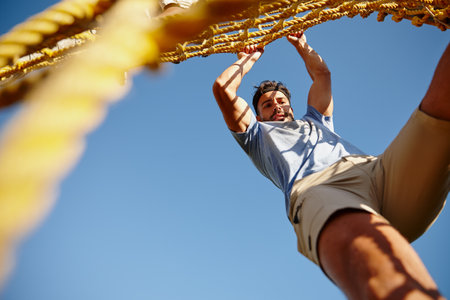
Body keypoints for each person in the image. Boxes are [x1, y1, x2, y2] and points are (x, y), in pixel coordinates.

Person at [212, 31, 449, 300]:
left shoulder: (316, 119)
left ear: (290, 105)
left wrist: (301, 44)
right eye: (267, 105)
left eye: (281, 101)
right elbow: (223, 89)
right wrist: (248, 58)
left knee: (439, 109)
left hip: (377, 174)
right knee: (375, 263)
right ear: (258, 115)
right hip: (320, 188)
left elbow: (322, 74)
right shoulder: (257, 136)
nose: (276, 106)